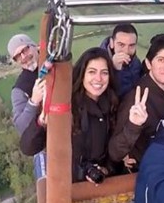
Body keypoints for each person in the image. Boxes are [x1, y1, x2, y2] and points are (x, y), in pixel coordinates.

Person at [19, 47, 145, 183]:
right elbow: (28, 147)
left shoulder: (112, 105)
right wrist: (41, 121)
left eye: (104, 73)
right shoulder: (66, 106)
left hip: (98, 184)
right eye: (92, 72)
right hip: (68, 187)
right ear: (82, 74)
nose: (98, 79)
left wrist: (105, 170)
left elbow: (113, 151)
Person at [108, 34, 164, 171]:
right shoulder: (136, 98)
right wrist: (134, 125)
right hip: (143, 172)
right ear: (148, 64)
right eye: (161, 60)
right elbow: (115, 152)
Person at [7, 34, 46, 135]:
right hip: (47, 139)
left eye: (25, 50)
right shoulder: (20, 89)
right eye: (17, 56)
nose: (23, 57)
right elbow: (21, 126)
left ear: (34, 46)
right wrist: (33, 102)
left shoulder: (55, 62)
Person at [100, 24, 141, 98]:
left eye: (131, 45)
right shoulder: (96, 62)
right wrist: (114, 69)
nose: (126, 51)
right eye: (121, 45)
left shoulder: (136, 64)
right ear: (112, 43)